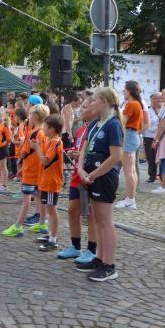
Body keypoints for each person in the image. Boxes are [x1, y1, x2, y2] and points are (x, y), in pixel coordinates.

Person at [76, 87, 124, 281]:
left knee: (105, 222)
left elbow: (116, 156)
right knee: (97, 219)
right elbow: (84, 149)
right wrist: (80, 169)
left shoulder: (113, 124)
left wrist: (93, 174)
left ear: (105, 102)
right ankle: (99, 259)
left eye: (94, 100)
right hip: (91, 176)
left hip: (104, 177)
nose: (91, 103)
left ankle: (109, 265)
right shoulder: (96, 123)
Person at [59, 96, 98, 263]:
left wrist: (81, 156)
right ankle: (75, 246)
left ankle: (92, 250)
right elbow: (79, 150)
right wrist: (74, 153)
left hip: (88, 176)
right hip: (77, 175)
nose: (80, 110)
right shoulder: (82, 130)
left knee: (90, 215)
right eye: (81, 107)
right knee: (72, 210)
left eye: (84, 107)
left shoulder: (96, 129)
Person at [2, 104, 49, 238]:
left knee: (26, 200)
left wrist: (20, 164)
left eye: (31, 115)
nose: (29, 118)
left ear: (35, 117)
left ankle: (17, 226)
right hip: (40, 171)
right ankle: (42, 223)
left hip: (30, 171)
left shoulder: (32, 133)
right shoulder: (45, 134)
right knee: (39, 197)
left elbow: (24, 152)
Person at [35, 114, 64, 251]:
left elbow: (45, 161)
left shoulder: (55, 142)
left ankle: (53, 238)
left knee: (52, 210)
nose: (43, 129)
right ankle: (51, 234)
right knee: (49, 209)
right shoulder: (51, 141)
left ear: (52, 129)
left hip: (52, 183)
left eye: (45, 127)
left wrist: (37, 149)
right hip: (46, 181)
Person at [115, 80, 145, 210]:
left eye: (125, 89)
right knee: (131, 170)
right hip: (133, 135)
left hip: (129, 136)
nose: (123, 91)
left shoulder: (131, 104)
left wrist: (117, 112)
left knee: (128, 171)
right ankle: (131, 198)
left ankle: (130, 199)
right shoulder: (137, 103)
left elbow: (122, 121)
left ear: (129, 91)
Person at [143, 93, 162, 184]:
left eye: (161, 98)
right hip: (149, 137)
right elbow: (145, 124)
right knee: (151, 158)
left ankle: (163, 176)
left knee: (163, 157)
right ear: (153, 100)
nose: (159, 100)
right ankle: (152, 176)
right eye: (157, 98)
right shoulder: (148, 111)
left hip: (162, 137)